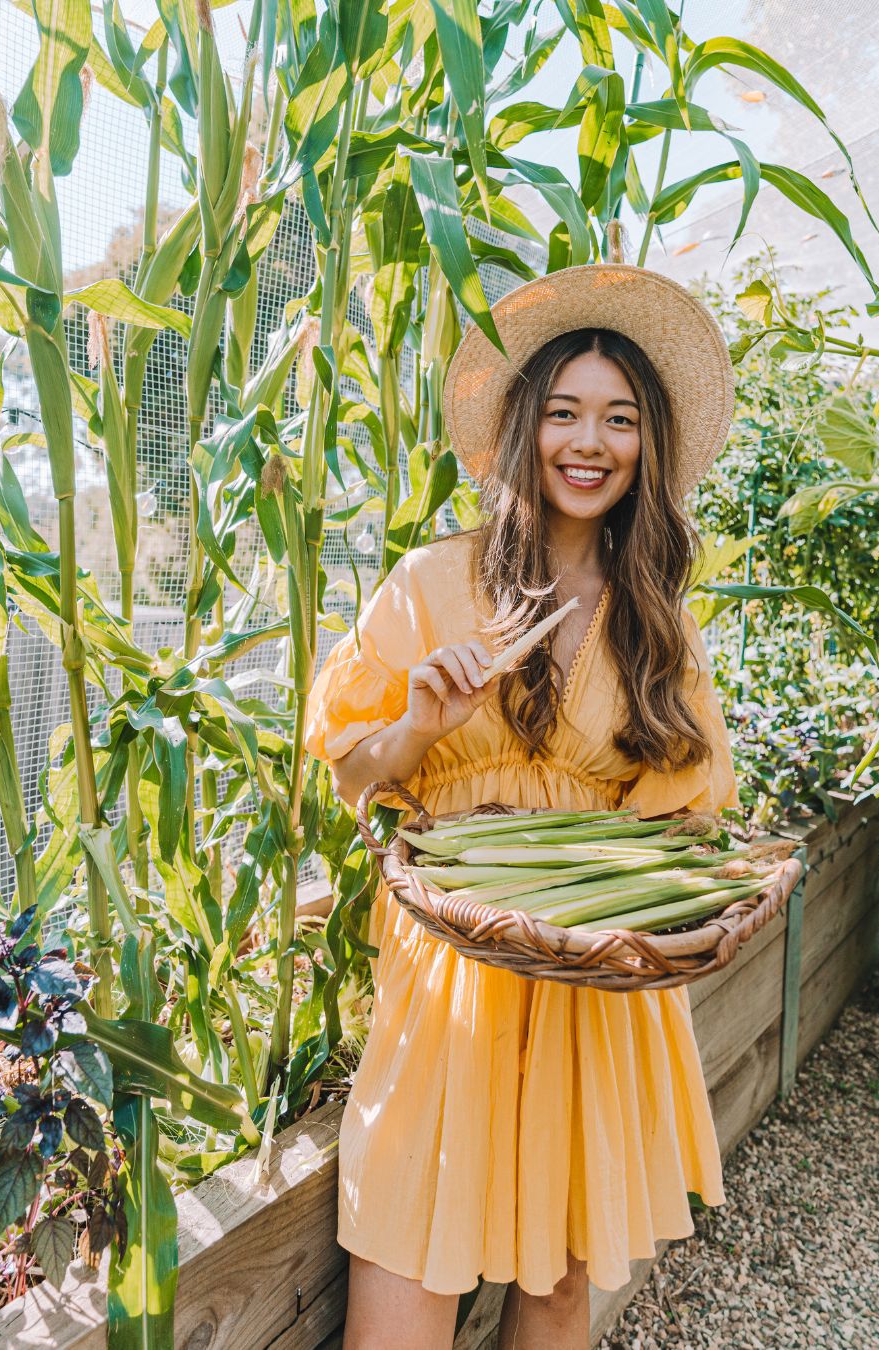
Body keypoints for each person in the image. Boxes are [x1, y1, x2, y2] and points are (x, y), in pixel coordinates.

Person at [304, 258, 741, 1350]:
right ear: (521, 429)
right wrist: (420, 726)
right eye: (563, 413)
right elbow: (354, 777)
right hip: (451, 974)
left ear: (648, 448)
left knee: (554, 1290)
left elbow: (687, 823)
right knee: (408, 1258)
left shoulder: (660, 628)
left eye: (620, 419)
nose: (589, 443)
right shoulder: (431, 584)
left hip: (598, 985)